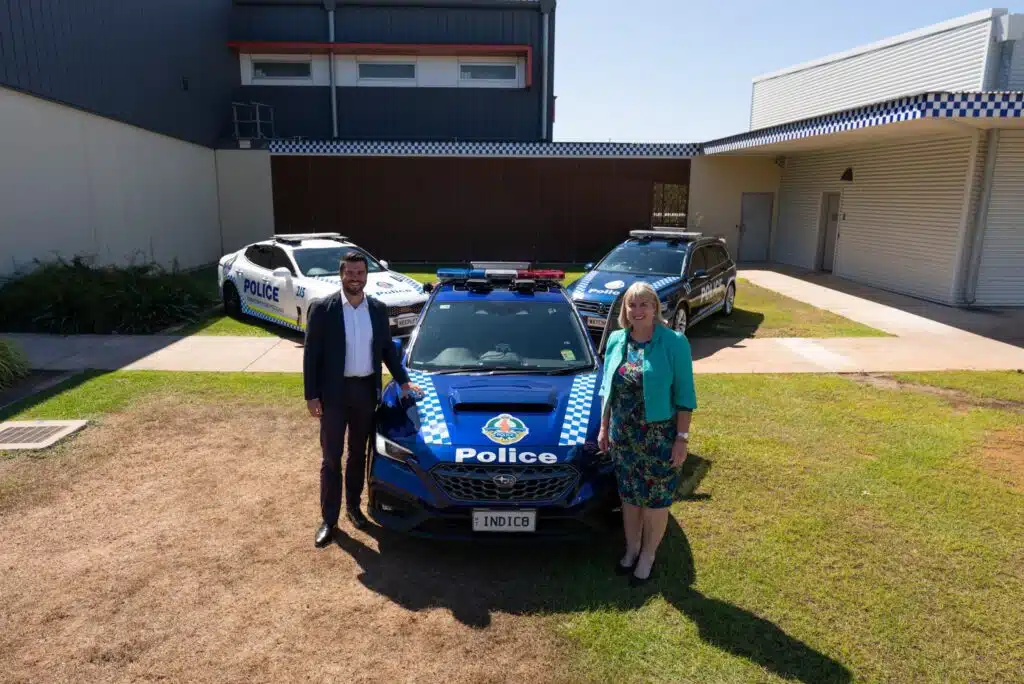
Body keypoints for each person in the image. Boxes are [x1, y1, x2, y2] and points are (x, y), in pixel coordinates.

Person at [303, 250, 419, 548]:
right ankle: (329, 519)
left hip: (365, 392)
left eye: (360, 273)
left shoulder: (378, 309)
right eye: (350, 273)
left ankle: (354, 508)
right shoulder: (323, 309)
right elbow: (311, 356)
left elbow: (386, 351)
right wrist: (311, 395)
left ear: (366, 276)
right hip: (333, 394)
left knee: (359, 455)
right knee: (331, 458)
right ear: (341, 274)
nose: (355, 278)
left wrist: (404, 381)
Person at [597, 281, 697, 586]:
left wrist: (681, 439)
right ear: (625, 310)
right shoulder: (616, 340)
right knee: (629, 497)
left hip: (659, 438)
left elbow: (685, 395)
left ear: (656, 308)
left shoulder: (674, 342)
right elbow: (607, 391)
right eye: (632, 305)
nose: (638, 310)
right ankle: (632, 548)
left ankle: (648, 555)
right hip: (623, 436)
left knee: (655, 501)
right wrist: (604, 427)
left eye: (644, 304)